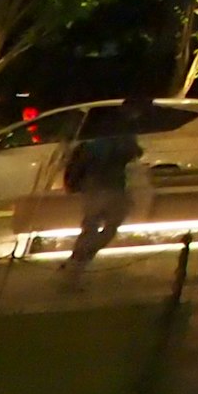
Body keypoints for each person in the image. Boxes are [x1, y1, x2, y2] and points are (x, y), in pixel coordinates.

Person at [61, 107, 146, 272]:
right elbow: (130, 153)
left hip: (93, 186)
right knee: (108, 227)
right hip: (110, 185)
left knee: (92, 226)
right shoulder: (120, 134)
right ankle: (78, 262)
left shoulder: (92, 137)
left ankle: (76, 262)